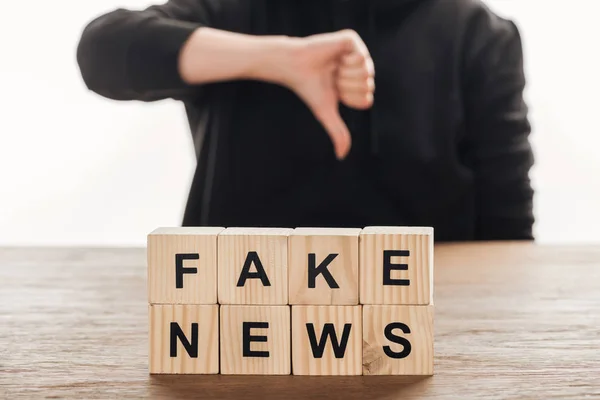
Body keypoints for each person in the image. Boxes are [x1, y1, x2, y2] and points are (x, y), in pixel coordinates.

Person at [76, 0, 535, 242]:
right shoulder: (237, 7)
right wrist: (277, 58)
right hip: (240, 321)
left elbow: (507, 221)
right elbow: (103, 52)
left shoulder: (479, 35)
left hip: (421, 328)